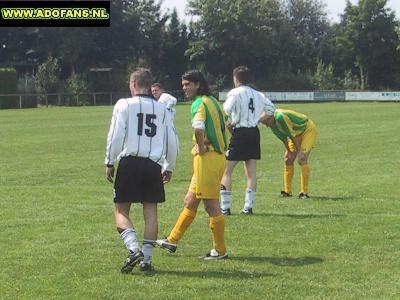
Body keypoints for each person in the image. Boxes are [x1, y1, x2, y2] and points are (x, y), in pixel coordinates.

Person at [105, 68, 179, 273]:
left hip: (130, 162)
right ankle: (147, 259)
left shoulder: (124, 104)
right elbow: (172, 141)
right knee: (151, 212)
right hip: (153, 165)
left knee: (121, 210)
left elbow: (115, 136)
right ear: (149, 85)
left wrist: (109, 162)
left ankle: (133, 248)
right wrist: (169, 166)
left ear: (134, 84)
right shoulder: (163, 109)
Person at [156, 70, 228, 260]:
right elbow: (226, 123)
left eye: (188, 84)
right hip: (214, 158)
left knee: (211, 205)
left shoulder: (199, 103)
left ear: (198, 84)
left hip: (208, 159)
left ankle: (220, 251)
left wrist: (202, 145)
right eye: (183, 84)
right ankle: (172, 240)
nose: (184, 88)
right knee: (190, 200)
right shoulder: (213, 101)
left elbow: (198, 127)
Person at [220, 66, 275, 215]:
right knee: (251, 172)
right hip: (253, 133)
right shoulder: (258, 94)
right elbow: (271, 109)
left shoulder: (234, 93)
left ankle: (225, 207)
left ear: (235, 78)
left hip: (240, 133)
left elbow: (225, 110)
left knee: (226, 171)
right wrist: (258, 119)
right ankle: (248, 207)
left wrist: (230, 122)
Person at [259, 108, 317, 199]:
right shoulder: (272, 124)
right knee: (288, 158)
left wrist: (299, 151)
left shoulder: (280, 117)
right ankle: (287, 191)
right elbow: (283, 137)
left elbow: (291, 135)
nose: (266, 125)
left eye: (265, 123)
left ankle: (304, 192)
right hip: (295, 134)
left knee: (302, 158)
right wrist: (289, 151)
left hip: (307, 129)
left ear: (270, 118)